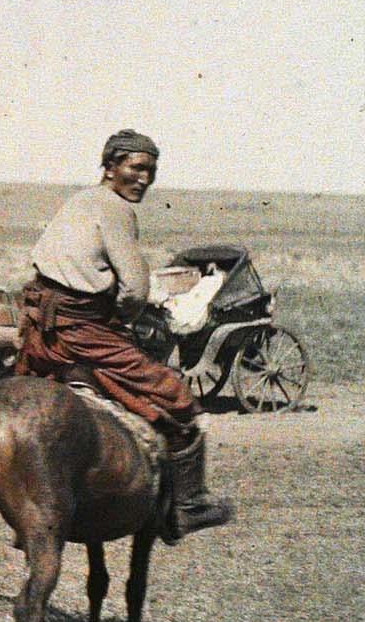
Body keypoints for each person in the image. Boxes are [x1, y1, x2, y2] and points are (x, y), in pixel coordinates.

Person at [15, 129, 233, 539]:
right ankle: (188, 505)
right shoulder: (116, 208)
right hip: (83, 328)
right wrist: (125, 313)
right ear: (110, 166)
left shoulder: (80, 200)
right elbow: (136, 286)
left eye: (151, 171)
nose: (145, 179)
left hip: (42, 324)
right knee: (175, 396)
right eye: (136, 168)